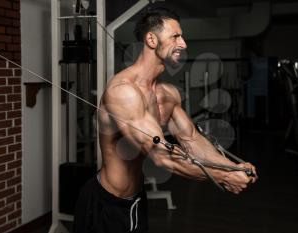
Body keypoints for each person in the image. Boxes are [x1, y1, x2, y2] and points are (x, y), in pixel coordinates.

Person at [74, 7, 257, 233]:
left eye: (182, 37)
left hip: (137, 200)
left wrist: (232, 166)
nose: (183, 44)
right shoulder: (123, 92)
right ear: (151, 39)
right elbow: (163, 158)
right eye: (175, 36)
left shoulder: (167, 94)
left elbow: (192, 139)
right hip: (105, 205)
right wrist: (224, 177)